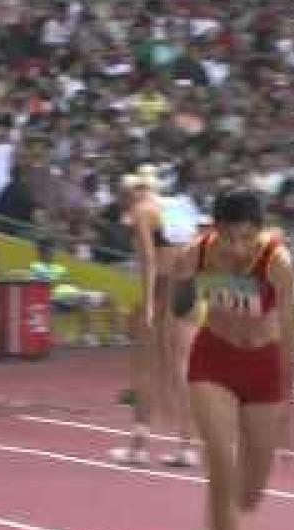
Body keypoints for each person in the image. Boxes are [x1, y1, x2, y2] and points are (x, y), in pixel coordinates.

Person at [169, 187, 294, 530]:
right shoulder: (197, 254)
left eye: (246, 238)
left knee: (251, 490)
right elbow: (180, 311)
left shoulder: (277, 263)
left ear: (258, 233)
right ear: (215, 231)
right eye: (229, 239)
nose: (238, 249)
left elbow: (292, 334)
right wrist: (182, 280)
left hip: (263, 368)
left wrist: (292, 401)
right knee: (221, 468)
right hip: (215, 360)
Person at [110, 164, 200, 467]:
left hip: (165, 286)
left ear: (135, 191)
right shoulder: (178, 206)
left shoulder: (142, 211)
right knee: (181, 367)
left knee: (144, 365)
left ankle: (139, 445)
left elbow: (149, 260)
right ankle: (187, 447)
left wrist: (148, 303)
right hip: (189, 285)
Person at [29, 239, 120, 347]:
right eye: (48, 250)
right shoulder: (36, 267)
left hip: (73, 294)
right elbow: (45, 286)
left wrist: (71, 286)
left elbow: (69, 282)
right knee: (83, 300)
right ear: (41, 252)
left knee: (109, 298)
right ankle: (87, 336)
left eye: (52, 250)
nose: (51, 253)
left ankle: (115, 335)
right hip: (57, 299)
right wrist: (60, 284)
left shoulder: (59, 267)